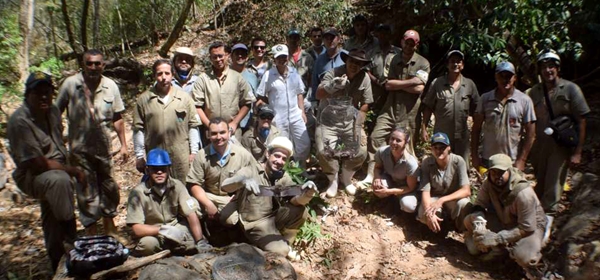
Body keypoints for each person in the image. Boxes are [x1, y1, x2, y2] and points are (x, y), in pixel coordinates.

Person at [8, 72, 83, 271]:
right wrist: (72, 171)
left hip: (57, 167)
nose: (43, 97)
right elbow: (38, 164)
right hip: (33, 174)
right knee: (59, 182)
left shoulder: (53, 111)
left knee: (52, 212)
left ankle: (57, 260)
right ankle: (70, 236)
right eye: (37, 93)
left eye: (47, 92)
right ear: (27, 94)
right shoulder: (20, 121)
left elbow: (59, 143)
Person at [56, 49, 127, 236]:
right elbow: (55, 115)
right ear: (83, 64)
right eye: (89, 63)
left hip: (104, 147)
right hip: (79, 148)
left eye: (97, 63)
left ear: (103, 65)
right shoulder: (70, 85)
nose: (93, 67)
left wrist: (124, 145)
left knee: (109, 185)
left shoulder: (110, 86)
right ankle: (91, 231)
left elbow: (118, 117)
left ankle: (110, 226)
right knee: (85, 188)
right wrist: (58, 144)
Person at [219, 137, 316, 259]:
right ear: (268, 154)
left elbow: (294, 200)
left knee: (300, 211)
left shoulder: (283, 176)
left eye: (283, 159)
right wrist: (241, 181)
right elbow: (225, 186)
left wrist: (308, 193)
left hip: (273, 218)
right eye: (277, 156)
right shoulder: (251, 170)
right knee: (281, 251)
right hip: (256, 223)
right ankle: (259, 246)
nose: (279, 161)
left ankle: (285, 242)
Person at [361, 30, 430, 187]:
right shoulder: (394, 59)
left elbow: (419, 89)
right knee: (376, 138)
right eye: (406, 41)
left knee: (408, 146)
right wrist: (411, 81)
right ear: (402, 42)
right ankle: (373, 174)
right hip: (390, 108)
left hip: (410, 112)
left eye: (412, 42)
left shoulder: (423, 63)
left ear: (417, 45)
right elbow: (389, 85)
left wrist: (398, 84)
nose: (408, 45)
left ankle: (408, 182)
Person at [527, 50, 590, 214]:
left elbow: (582, 121)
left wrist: (577, 152)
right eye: (544, 67)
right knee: (540, 183)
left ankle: (547, 223)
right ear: (539, 70)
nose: (548, 71)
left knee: (553, 186)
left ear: (558, 68)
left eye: (551, 66)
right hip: (539, 145)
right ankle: (535, 220)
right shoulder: (535, 91)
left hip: (560, 146)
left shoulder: (571, 89)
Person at [463, 153, 547, 274]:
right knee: (470, 224)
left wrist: (497, 238)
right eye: (494, 172)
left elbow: (527, 228)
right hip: (504, 220)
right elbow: (479, 204)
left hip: (529, 227)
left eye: (501, 172)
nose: (497, 176)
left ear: (510, 171)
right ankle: (501, 252)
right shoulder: (488, 183)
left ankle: (534, 262)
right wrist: (480, 225)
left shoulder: (523, 193)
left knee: (524, 257)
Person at [126, 148, 211, 256]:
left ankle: (173, 250)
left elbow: (191, 214)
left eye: (163, 168)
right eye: (155, 169)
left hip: (175, 228)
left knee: (190, 241)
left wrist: (200, 241)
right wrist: (162, 230)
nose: (159, 172)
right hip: (152, 233)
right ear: (148, 170)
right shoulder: (137, 193)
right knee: (147, 245)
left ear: (169, 169)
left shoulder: (177, 186)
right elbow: (137, 229)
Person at [316, 49, 373, 197]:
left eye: (358, 63)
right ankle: (333, 179)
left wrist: (358, 126)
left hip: (350, 120)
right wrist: (333, 86)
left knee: (361, 150)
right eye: (352, 61)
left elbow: (366, 104)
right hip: (328, 120)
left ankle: (346, 177)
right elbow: (318, 93)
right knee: (323, 150)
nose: (354, 65)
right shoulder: (333, 73)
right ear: (346, 61)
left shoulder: (364, 78)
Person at [133, 59, 201, 183]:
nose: (163, 77)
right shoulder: (144, 100)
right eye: (159, 74)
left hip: (181, 156)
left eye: (167, 73)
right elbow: (138, 130)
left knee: (183, 187)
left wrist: (194, 152)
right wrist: (139, 156)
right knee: (157, 190)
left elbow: (193, 126)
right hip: (155, 157)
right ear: (154, 76)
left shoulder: (184, 98)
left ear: (172, 75)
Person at [186, 118, 257, 221]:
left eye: (222, 132)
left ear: (229, 133)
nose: (219, 137)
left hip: (230, 199)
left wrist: (240, 195)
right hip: (208, 195)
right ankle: (202, 232)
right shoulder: (201, 155)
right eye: (214, 133)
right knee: (191, 208)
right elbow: (193, 183)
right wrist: (208, 204)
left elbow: (256, 176)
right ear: (208, 135)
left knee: (231, 220)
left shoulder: (243, 154)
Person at [471, 61, 536, 171]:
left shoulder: (524, 101)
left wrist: (522, 160)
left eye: (509, 76)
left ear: (515, 78)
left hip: (512, 161)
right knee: (488, 188)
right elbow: (476, 129)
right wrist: (475, 156)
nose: (505, 79)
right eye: (501, 76)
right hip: (489, 160)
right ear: (496, 77)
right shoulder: (485, 99)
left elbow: (531, 133)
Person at [422, 50, 480, 170]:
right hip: (442, 135)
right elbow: (428, 106)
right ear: (447, 64)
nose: (455, 64)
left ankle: (463, 188)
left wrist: (477, 130)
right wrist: (424, 128)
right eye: (452, 61)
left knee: (462, 167)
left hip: (462, 136)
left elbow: (477, 109)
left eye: (458, 62)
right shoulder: (437, 83)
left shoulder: (469, 85)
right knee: (440, 165)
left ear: (462, 65)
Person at [256, 44, 310, 166]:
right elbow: (260, 95)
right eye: (278, 57)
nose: (282, 60)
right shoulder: (269, 75)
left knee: (304, 143)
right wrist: (270, 105)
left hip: (296, 115)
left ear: (288, 57)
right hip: (278, 117)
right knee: (283, 146)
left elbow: (299, 93)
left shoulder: (294, 72)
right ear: (274, 59)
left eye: (284, 57)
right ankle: (286, 171)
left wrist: (302, 111)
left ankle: (301, 169)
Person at [192, 41, 254, 140]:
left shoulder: (237, 78)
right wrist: (209, 125)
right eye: (214, 57)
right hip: (210, 132)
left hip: (232, 131)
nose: (218, 59)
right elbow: (197, 106)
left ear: (227, 55)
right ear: (210, 58)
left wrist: (235, 123)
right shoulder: (203, 79)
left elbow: (247, 103)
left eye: (220, 56)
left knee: (234, 155)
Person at [418, 132, 471, 233]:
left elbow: (466, 191)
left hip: (453, 199)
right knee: (425, 211)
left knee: (464, 204)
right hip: (435, 198)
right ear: (431, 149)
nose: (439, 150)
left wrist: (442, 200)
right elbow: (425, 191)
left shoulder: (458, 161)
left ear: (449, 148)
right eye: (435, 147)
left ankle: (460, 228)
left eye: (442, 147)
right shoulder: (427, 163)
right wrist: (429, 213)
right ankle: (436, 232)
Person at [371, 127, 419, 213]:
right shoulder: (382, 152)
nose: (394, 142)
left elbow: (410, 187)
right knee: (377, 187)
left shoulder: (411, 163)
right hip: (390, 180)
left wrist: (388, 191)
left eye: (398, 140)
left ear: (405, 143)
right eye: (392, 139)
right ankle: (388, 201)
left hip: (406, 187)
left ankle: (407, 214)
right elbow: (377, 168)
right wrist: (377, 177)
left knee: (408, 205)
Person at [368, 24, 401, 113]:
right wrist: (376, 81)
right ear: (377, 35)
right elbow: (366, 71)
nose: (383, 36)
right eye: (381, 34)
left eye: (386, 34)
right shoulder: (371, 53)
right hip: (376, 92)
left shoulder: (398, 53)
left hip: (394, 91)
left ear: (390, 35)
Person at [310, 28, 347, 101]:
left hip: (344, 102)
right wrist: (314, 101)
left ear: (338, 39)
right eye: (326, 38)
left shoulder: (347, 56)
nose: (329, 40)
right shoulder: (319, 60)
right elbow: (315, 83)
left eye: (332, 38)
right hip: (325, 103)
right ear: (323, 41)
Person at [230, 43, 258, 131]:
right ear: (232, 56)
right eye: (237, 53)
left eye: (243, 53)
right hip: (231, 123)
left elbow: (256, 99)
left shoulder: (252, 77)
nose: (240, 56)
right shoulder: (225, 75)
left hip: (248, 123)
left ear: (247, 57)